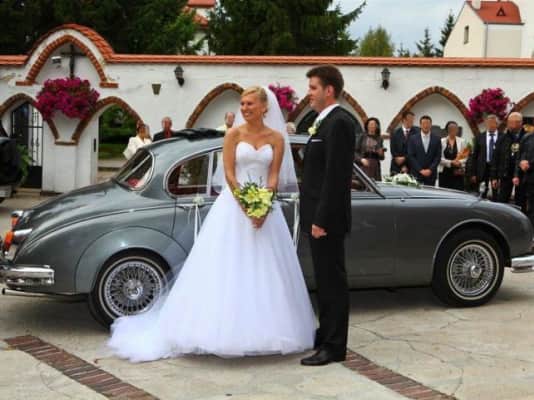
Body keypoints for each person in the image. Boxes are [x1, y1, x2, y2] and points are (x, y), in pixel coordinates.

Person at [108, 86, 315, 361]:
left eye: (250, 104)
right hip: (233, 206)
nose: (244, 108)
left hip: (265, 208)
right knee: (226, 266)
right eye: (242, 104)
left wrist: (264, 205)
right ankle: (217, 330)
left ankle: (265, 331)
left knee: (267, 268)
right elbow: (229, 174)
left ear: (264, 107)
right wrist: (246, 205)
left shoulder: (277, 138)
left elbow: (274, 176)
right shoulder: (233, 135)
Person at [300, 65, 356, 366]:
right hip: (317, 216)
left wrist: (321, 219)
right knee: (324, 280)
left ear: (329, 90)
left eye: (313, 88)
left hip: (327, 220)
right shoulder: (322, 122)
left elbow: (336, 177)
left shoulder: (340, 123)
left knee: (332, 282)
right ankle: (326, 334)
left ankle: (334, 347)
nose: (308, 93)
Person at [492, 112, 526, 208]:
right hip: (505, 174)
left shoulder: (527, 137)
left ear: (520, 123)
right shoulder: (502, 138)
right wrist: (494, 177)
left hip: (522, 175)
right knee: (502, 201)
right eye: (509, 122)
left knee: (521, 201)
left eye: (514, 122)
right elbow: (495, 158)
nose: (510, 125)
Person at [467, 114, 499, 199]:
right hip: (482, 168)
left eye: (493, 123)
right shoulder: (479, 137)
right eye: (489, 123)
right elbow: (475, 156)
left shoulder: (503, 137)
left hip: (497, 169)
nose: (490, 125)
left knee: (496, 194)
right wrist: (473, 173)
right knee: (481, 193)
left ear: (497, 124)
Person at [407, 115, 442, 186]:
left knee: (430, 192)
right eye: (424, 123)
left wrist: (430, 169)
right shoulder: (413, 139)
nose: (426, 125)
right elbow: (411, 156)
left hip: (431, 174)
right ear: (420, 125)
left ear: (431, 125)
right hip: (416, 173)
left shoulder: (437, 139)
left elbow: (437, 157)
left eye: (428, 123)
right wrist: (420, 170)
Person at [439, 121, 468, 190]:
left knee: (458, 191)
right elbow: (439, 157)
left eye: (455, 128)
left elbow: (466, 157)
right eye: (451, 128)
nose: (453, 130)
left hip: (458, 171)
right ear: (447, 129)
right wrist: (451, 162)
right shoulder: (441, 141)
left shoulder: (463, 141)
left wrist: (459, 162)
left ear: (457, 130)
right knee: (444, 192)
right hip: (444, 172)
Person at [514, 129, 534, 226]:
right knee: (530, 208)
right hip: (529, 179)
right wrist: (516, 175)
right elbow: (519, 156)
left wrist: (530, 164)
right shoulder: (527, 137)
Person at [390, 111, 419, 176]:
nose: (412, 121)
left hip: (411, 166)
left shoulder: (417, 133)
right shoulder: (395, 133)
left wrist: (405, 159)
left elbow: (416, 150)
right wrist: (401, 164)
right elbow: (393, 150)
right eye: (410, 119)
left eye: (412, 119)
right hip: (397, 165)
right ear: (404, 120)